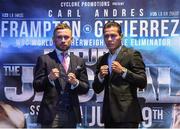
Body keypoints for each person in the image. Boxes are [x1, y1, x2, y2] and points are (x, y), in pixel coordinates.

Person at [33, 23, 89, 128]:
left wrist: (75, 83)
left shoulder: (79, 61)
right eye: (59, 37)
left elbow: (85, 88)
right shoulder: (44, 59)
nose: (63, 40)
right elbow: (37, 86)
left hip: (71, 114)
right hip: (50, 115)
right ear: (54, 39)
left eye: (66, 37)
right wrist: (49, 78)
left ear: (71, 39)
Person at [92, 21, 147, 128]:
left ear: (121, 36)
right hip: (109, 116)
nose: (109, 39)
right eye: (106, 36)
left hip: (127, 114)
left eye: (113, 36)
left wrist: (123, 71)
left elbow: (142, 82)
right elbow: (96, 89)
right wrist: (100, 77)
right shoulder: (102, 59)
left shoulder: (132, 55)